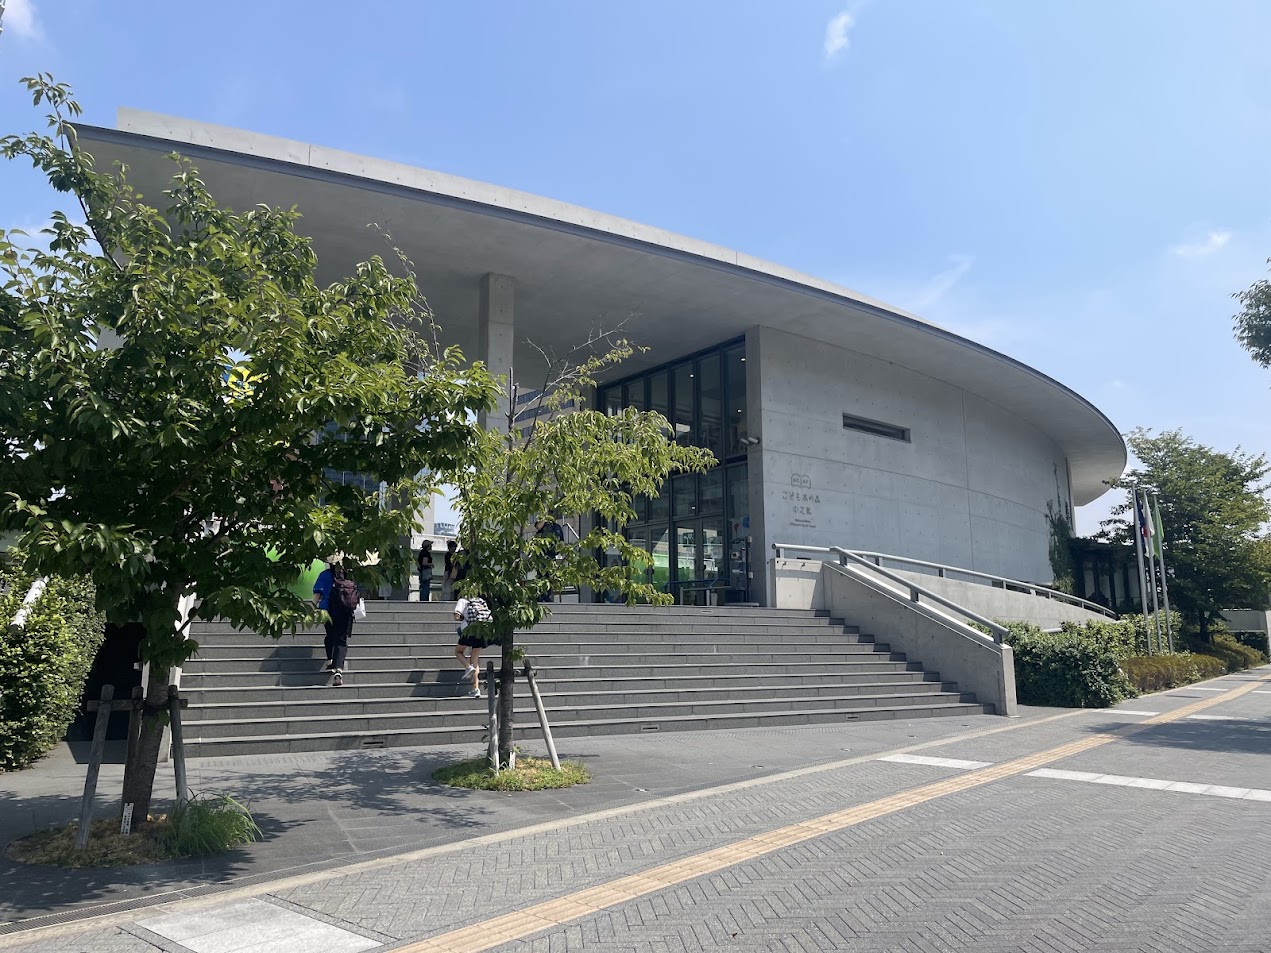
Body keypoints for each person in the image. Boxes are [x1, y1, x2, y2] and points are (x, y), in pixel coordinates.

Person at [312, 561, 358, 687]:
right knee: (341, 639)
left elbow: (317, 594)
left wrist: (311, 607)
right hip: (344, 610)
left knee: (330, 635)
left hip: (327, 610)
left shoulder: (325, 575)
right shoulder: (349, 576)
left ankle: (330, 660)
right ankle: (338, 670)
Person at [453, 591, 490, 698]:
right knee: (475, 661)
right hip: (481, 631)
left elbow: (457, 617)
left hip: (468, 631)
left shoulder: (463, 601)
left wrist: (462, 618)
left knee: (458, 651)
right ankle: (475, 688)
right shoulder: (481, 601)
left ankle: (467, 666)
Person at [535, 513, 565, 602]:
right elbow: (538, 527)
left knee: (550, 576)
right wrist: (544, 517)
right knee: (541, 575)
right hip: (541, 555)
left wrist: (562, 553)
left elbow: (561, 541)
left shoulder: (557, 527)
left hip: (552, 555)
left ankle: (547, 596)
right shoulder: (543, 524)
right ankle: (540, 596)